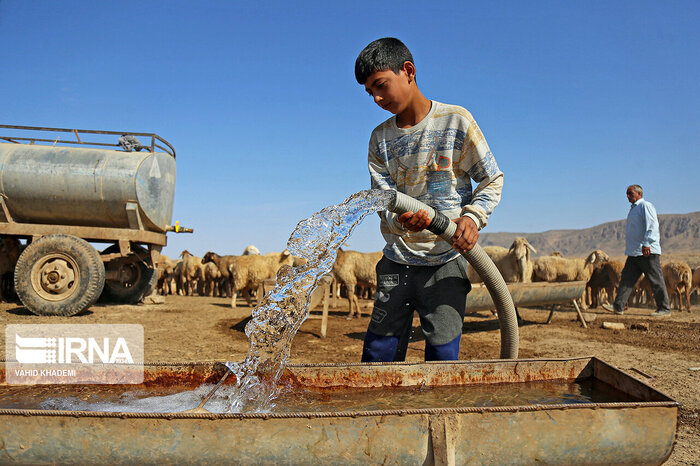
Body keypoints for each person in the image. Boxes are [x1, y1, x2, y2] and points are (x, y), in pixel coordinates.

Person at [354, 38, 503, 362]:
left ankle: (438, 415)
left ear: (408, 71)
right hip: (397, 260)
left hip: (446, 262)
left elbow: (492, 179)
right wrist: (401, 221)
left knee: (442, 358)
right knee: (378, 356)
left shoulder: (456, 121)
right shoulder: (380, 139)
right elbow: (384, 201)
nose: (377, 98)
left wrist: (471, 218)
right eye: (370, 93)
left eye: (381, 86)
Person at [608, 185, 670, 316]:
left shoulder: (645, 206)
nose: (627, 196)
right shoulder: (633, 209)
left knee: (655, 279)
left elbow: (652, 225)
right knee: (626, 279)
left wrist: (647, 243)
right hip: (634, 252)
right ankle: (618, 306)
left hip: (647, 251)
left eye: (630, 193)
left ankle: (664, 309)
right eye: (627, 194)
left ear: (639, 193)